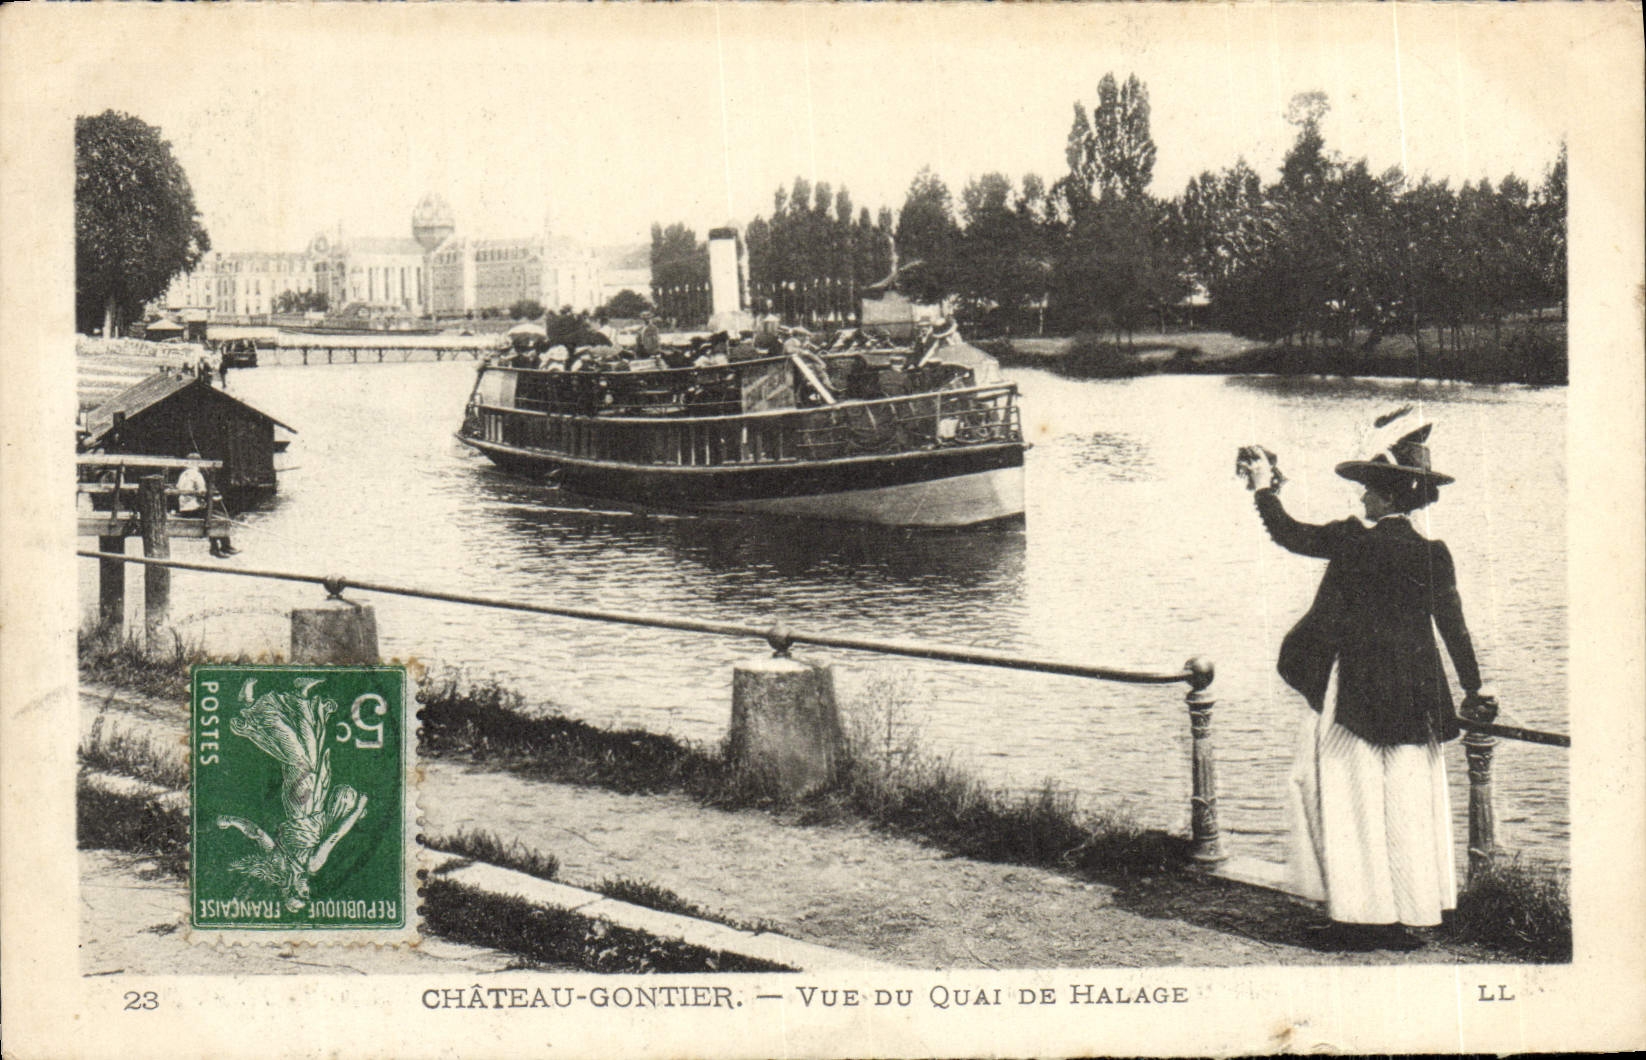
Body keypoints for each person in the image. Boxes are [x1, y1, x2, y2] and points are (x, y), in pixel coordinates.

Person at [1238, 411, 1494, 950]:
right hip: (1419, 697)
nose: (1360, 500)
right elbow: (1453, 627)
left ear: (1387, 495)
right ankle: (1411, 916)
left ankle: (1358, 919)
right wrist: (1475, 687)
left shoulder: (1355, 541)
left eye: (1368, 491)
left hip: (1356, 690)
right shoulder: (1433, 553)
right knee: (1408, 801)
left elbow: (1290, 535)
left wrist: (1263, 489)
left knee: (1347, 796)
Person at [178, 452, 238, 557]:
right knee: (218, 517)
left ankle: (221, 547)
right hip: (193, 508)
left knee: (213, 516)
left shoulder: (183, 475)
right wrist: (213, 496)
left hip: (184, 509)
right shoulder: (197, 475)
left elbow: (179, 488)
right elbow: (202, 491)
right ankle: (221, 547)